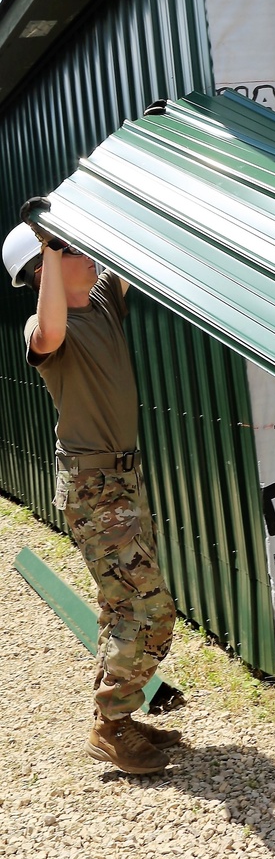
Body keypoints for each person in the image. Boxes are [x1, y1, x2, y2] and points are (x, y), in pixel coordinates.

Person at [2, 208, 181, 776]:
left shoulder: (102, 298)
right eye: (73, 249)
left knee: (120, 605)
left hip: (121, 479)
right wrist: (51, 246)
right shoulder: (45, 328)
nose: (92, 255)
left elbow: (126, 234)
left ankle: (120, 716)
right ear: (43, 268)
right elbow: (48, 330)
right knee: (151, 611)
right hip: (94, 486)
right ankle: (110, 723)